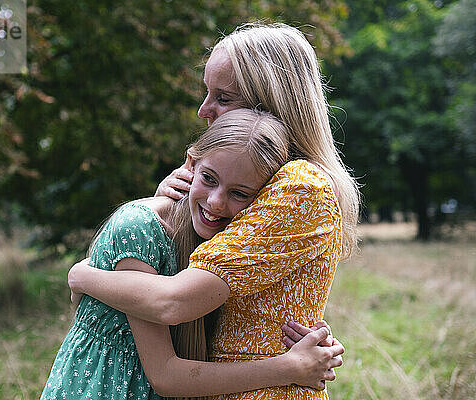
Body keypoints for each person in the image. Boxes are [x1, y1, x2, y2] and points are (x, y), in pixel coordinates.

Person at [67, 22, 361, 400]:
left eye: (223, 97)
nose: (204, 109)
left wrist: (82, 274)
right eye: (207, 92)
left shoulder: (299, 186)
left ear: (266, 106)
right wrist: (170, 215)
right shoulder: (245, 182)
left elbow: (175, 301)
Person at [41, 109, 344, 400]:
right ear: (190, 164)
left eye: (239, 194)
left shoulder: (219, 247)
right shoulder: (140, 228)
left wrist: (309, 334)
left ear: (262, 204)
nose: (215, 202)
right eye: (209, 179)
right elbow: (165, 375)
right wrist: (289, 367)